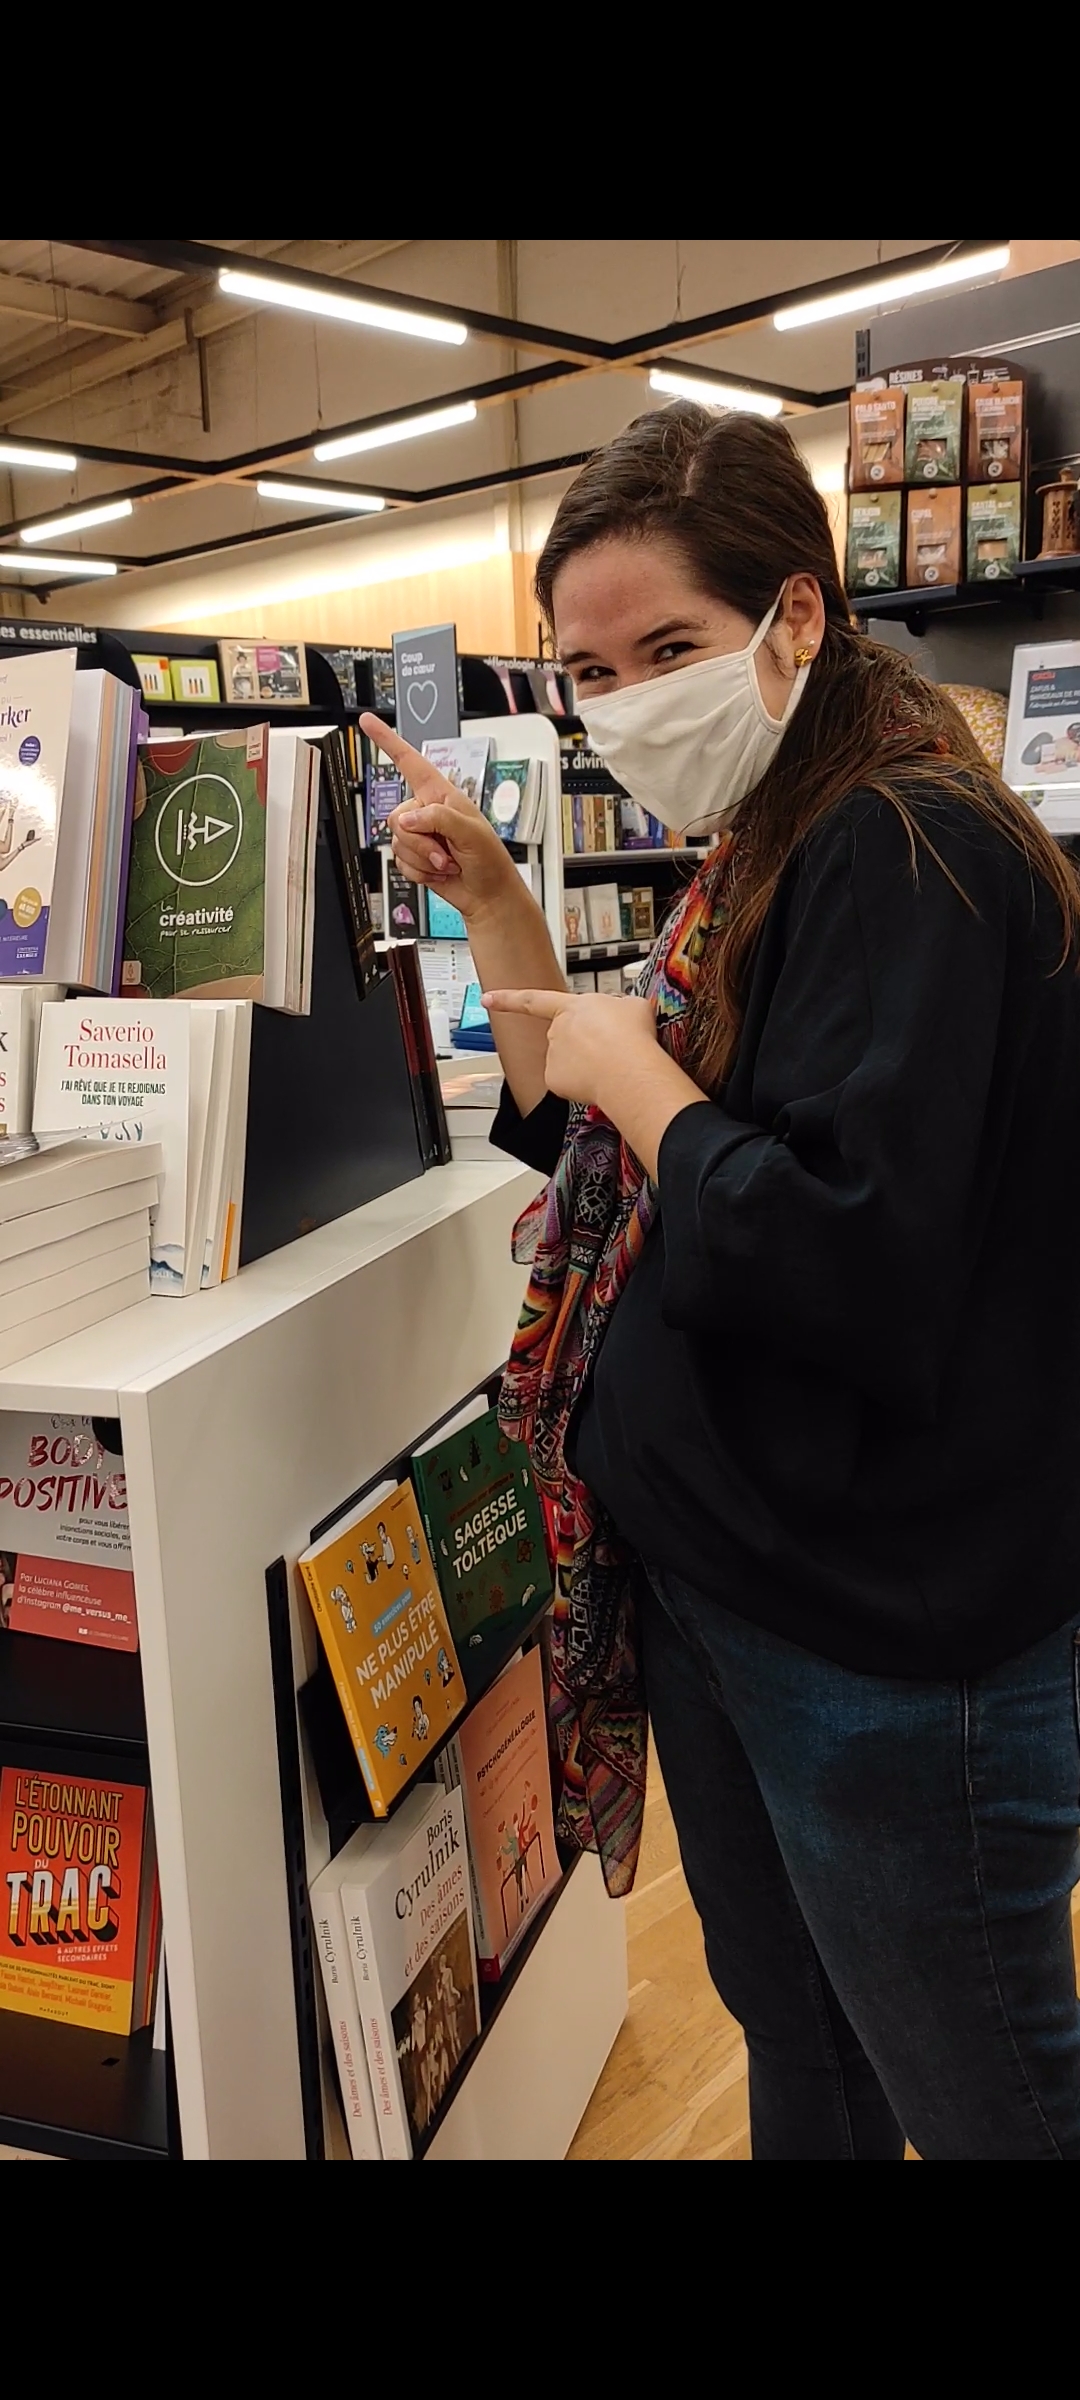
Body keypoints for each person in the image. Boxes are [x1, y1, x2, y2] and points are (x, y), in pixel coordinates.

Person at [362, 403, 1080, 2164]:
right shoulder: (777, 832)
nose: (627, 704)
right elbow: (605, 1152)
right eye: (590, 672)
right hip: (741, 1591)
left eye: (669, 649)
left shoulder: (909, 851)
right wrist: (504, 913)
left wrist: (643, 1080)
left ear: (799, 614)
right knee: (803, 2040)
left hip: (883, 1641)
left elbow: (846, 1257)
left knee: (984, 2090)